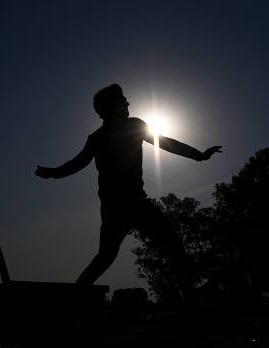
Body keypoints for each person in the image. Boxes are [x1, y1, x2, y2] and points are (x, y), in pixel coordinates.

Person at [35, 83, 221, 303]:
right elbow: (76, 164)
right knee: (120, 255)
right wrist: (52, 172)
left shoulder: (129, 127)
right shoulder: (100, 138)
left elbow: (166, 143)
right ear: (112, 106)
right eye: (123, 100)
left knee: (160, 250)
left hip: (131, 204)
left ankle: (191, 305)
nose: (128, 102)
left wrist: (199, 155)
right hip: (123, 206)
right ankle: (71, 302)